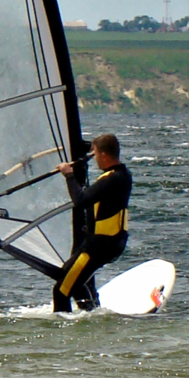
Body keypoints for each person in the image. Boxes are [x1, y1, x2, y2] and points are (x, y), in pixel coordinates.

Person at [51, 133, 131, 312]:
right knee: (77, 283)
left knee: (61, 290)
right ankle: (91, 312)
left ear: (103, 155)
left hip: (97, 247)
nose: (94, 159)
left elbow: (81, 200)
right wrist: (87, 149)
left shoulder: (110, 179)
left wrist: (69, 175)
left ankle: (61, 331)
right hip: (112, 243)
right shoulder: (124, 175)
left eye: (95, 154)